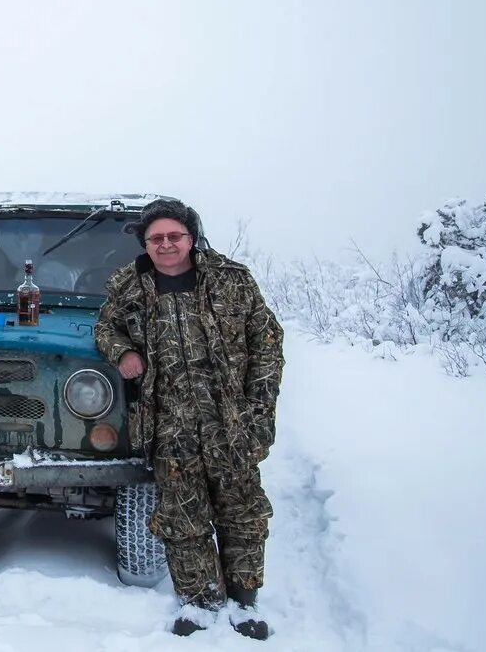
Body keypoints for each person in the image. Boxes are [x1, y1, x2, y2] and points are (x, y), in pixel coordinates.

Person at [95, 199, 284, 640]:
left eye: (173, 236)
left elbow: (268, 344)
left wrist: (259, 413)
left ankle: (243, 602)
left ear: (191, 237)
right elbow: (106, 327)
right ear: (145, 244)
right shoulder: (128, 286)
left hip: (232, 424)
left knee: (242, 514)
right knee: (182, 517)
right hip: (168, 425)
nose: (165, 244)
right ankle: (199, 602)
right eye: (156, 238)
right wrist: (123, 352)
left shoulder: (231, 280)